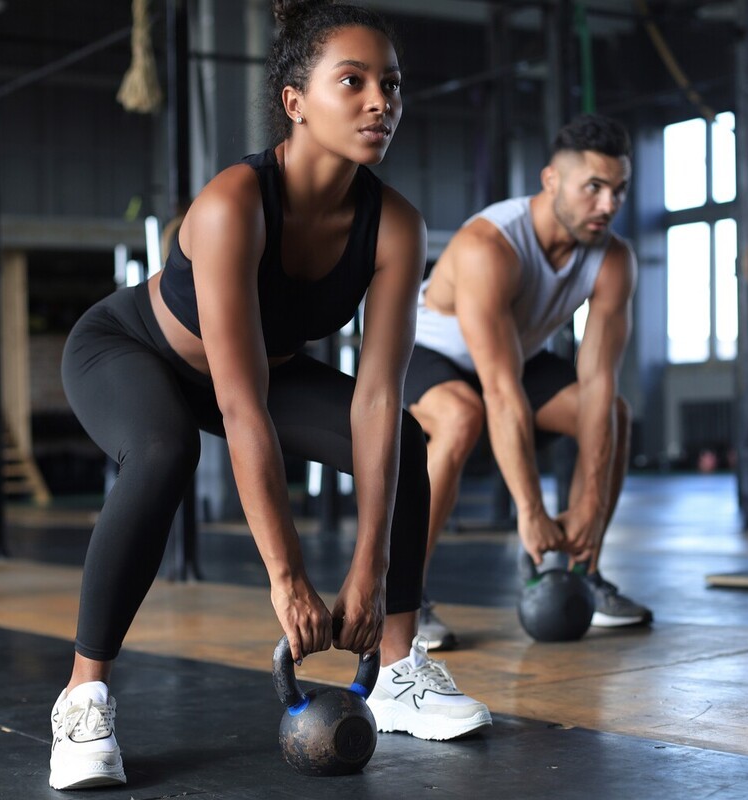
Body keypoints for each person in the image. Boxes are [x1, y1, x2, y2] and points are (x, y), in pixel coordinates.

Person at [48, 1, 490, 790]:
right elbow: (240, 405)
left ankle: (397, 669)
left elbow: (375, 398)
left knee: (406, 438)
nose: (380, 102)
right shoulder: (234, 204)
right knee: (163, 451)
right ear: (295, 101)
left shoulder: (394, 225)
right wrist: (287, 579)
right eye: (352, 81)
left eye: (390, 84)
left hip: (263, 369)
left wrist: (368, 570)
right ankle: (83, 697)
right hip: (131, 350)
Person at [404, 113, 652, 651]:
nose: (608, 205)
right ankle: (403, 597)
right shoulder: (489, 246)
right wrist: (532, 511)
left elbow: (599, 383)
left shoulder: (613, 259)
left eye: (619, 190)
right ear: (551, 180)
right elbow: (501, 391)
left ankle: (585, 571)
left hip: (516, 357)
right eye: (593, 188)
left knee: (614, 411)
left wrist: (588, 506)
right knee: (462, 415)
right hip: (429, 352)